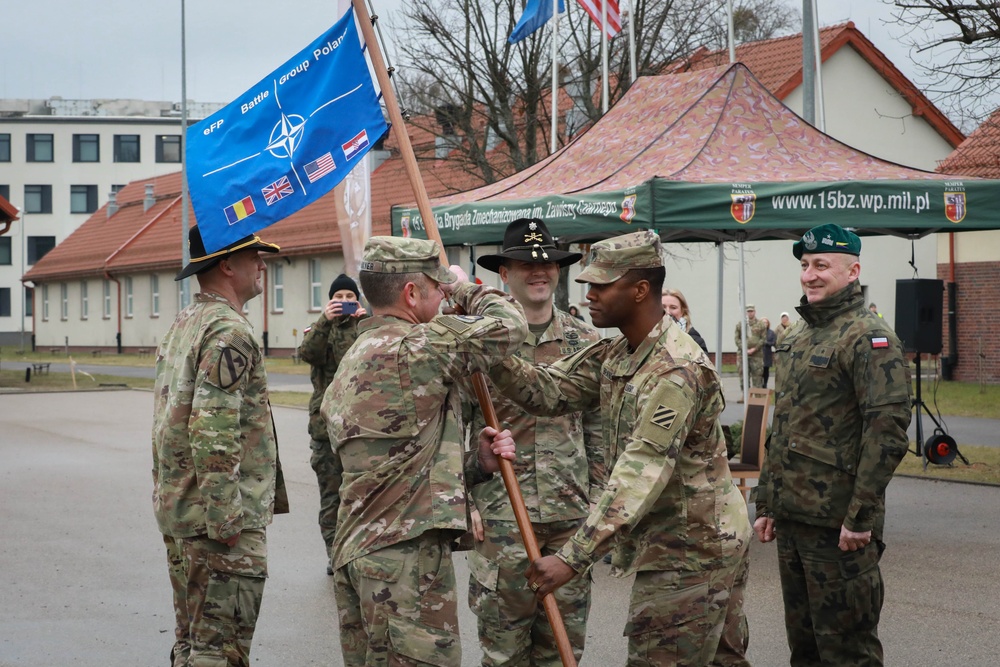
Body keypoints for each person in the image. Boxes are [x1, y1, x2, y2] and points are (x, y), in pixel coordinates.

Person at [490, 230, 752, 667]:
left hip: (692, 551)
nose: (587, 294)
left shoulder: (675, 369)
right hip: (676, 545)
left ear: (639, 290)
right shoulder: (619, 352)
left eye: (600, 286)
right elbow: (546, 390)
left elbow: (639, 472)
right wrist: (488, 348)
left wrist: (572, 558)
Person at [321, 236, 527, 667]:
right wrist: (466, 287)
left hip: (363, 554)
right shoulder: (417, 349)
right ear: (412, 294)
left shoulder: (354, 358)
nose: (444, 297)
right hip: (404, 566)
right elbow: (511, 325)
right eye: (439, 290)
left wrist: (476, 465)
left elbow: (397, 464)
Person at [752, 223, 911, 667]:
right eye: (805, 265)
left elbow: (888, 430)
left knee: (847, 652)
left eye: (822, 265)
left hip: (839, 528)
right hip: (794, 519)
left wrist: (860, 517)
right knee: (804, 650)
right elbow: (782, 426)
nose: (809, 275)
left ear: (852, 270)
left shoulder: (868, 337)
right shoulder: (799, 336)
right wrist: (767, 502)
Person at [152, 226, 289, 667]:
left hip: (185, 511)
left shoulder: (186, 322)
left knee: (193, 642)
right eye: (255, 257)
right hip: (218, 525)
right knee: (219, 651)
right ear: (227, 265)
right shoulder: (230, 331)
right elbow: (213, 428)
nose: (263, 265)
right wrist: (227, 517)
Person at [469, 218, 604, 666]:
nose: (538, 270)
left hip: (570, 518)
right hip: (504, 514)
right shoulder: (477, 343)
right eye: (524, 263)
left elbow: (599, 428)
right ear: (504, 274)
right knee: (504, 652)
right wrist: (465, 500)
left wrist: (600, 503)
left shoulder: (585, 340)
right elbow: (455, 428)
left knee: (562, 650)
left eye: (546, 262)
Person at [298, 273, 367, 575]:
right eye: (338, 297)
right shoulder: (318, 329)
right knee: (331, 495)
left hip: (360, 426)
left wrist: (368, 321)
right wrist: (324, 322)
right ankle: (334, 554)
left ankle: (359, 551)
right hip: (325, 428)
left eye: (349, 298)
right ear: (329, 301)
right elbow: (307, 354)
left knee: (362, 495)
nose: (344, 303)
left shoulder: (366, 327)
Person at [734, 303, 767, 401]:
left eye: (751, 311)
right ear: (746, 312)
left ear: (755, 312)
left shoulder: (760, 324)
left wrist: (755, 348)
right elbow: (737, 339)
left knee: (757, 375)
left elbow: (763, 338)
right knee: (743, 375)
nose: (750, 313)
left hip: (757, 355)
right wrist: (744, 349)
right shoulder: (741, 324)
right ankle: (745, 396)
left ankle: (758, 397)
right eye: (748, 311)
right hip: (743, 354)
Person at [662, 287, 709, 354]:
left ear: (682, 311)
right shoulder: (645, 339)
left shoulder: (695, 341)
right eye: (662, 307)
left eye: (673, 307)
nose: (668, 312)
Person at [760, 317, 777, 388]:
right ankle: (759, 384)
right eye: (763, 322)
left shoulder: (771, 332)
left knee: (766, 370)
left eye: (766, 322)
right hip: (759, 353)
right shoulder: (758, 332)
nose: (765, 324)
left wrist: (766, 343)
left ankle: (765, 384)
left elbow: (773, 342)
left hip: (767, 353)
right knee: (759, 370)